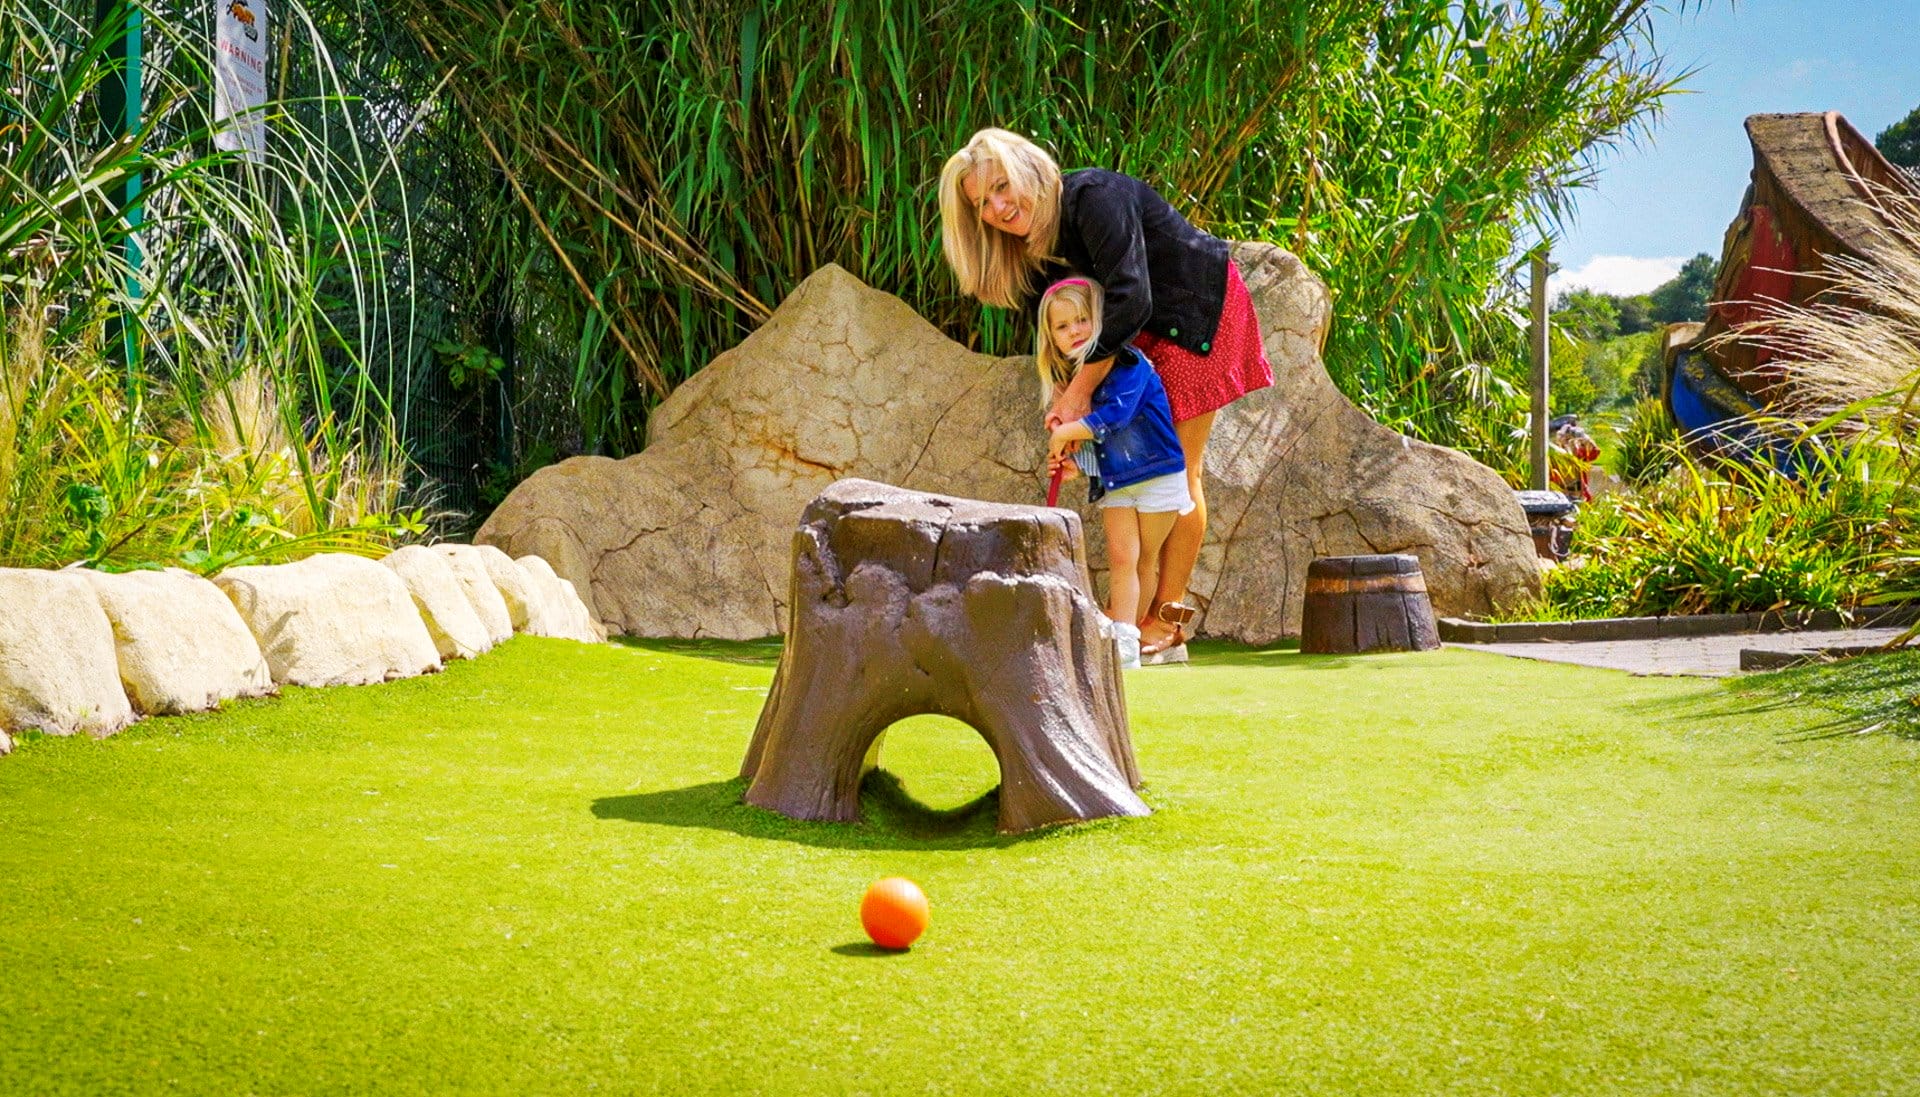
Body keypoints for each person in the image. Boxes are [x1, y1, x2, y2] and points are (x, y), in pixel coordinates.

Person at [939, 127, 1273, 659]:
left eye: (1003, 186)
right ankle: (1135, 621)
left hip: (1193, 316)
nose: (999, 207)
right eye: (982, 202)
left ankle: (1169, 621)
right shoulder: (1030, 250)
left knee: (1178, 470)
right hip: (1130, 341)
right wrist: (1068, 412)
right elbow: (1060, 342)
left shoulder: (1096, 198)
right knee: (1131, 471)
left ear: (1030, 169)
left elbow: (1131, 298)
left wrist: (1080, 395)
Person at [1035, 277, 1191, 669]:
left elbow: (1117, 417)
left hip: (1157, 476)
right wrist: (1077, 465)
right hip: (1119, 483)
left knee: (1144, 561)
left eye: (1082, 320)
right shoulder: (1070, 386)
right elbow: (1099, 446)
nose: (1074, 331)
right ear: (1050, 336)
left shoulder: (1129, 363)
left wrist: (1070, 430)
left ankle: (1131, 636)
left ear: (1101, 321)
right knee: (1123, 560)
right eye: (1062, 325)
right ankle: (1123, 648)